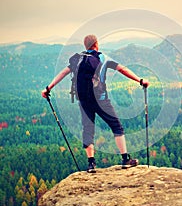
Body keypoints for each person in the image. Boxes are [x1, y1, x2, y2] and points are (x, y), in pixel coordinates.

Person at [42, 34, 149, 173]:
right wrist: (140, 81)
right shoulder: (103, 58)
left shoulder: (78, 59)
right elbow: (122, 69)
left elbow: (63, 73)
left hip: (84, 100)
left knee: (88, 129)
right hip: (101, 99)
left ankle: (91, 164)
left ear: (85, 45)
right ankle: (125, 159)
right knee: (116, 126)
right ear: (96, 44)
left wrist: (48, 88)